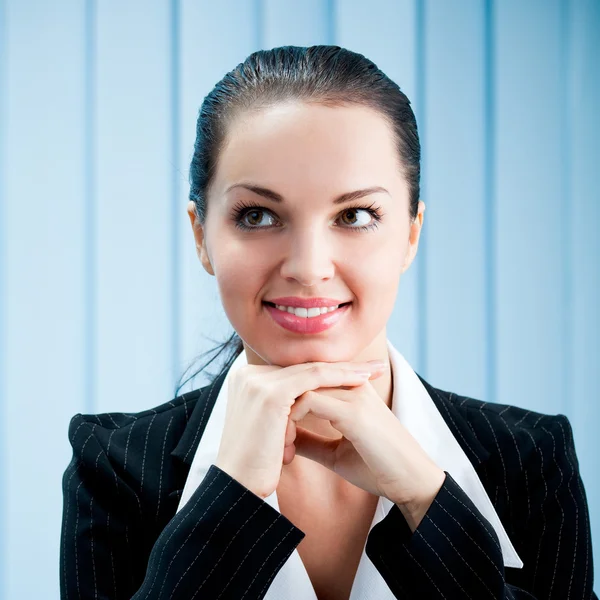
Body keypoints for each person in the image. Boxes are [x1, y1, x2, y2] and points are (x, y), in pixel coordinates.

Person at [60, 45, 597, 599]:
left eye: (356, 215)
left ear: (411, 233)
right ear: (201, 235)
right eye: (258, 215)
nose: (309, 269)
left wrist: (424, 498)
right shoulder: (114, 468)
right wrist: (231, 498)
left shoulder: (531, 460)